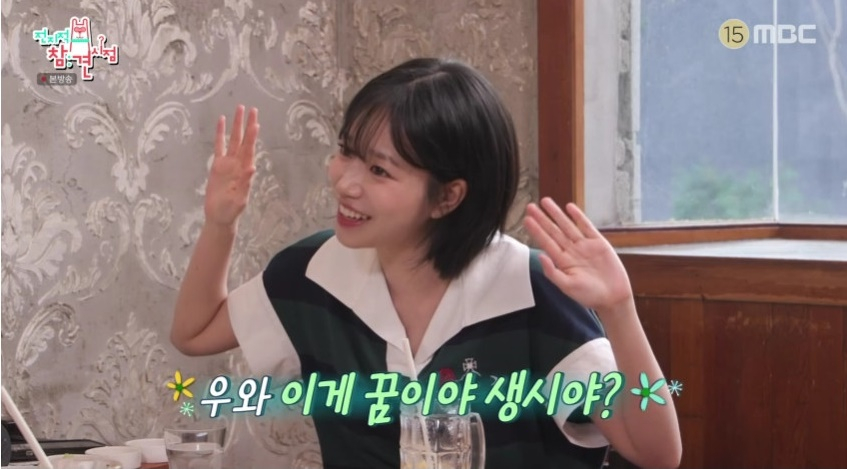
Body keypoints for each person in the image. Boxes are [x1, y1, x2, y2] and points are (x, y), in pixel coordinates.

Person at [170, 58, 682, 469]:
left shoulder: (530, 290)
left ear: (447, 197)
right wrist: (220, 224)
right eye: (346, 152)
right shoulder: (312, 274)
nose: (345, 182)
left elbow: (655, 452)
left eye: (378, 170)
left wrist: (618, 309)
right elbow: (193, 332)